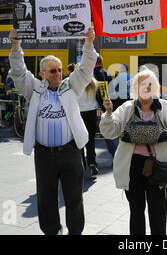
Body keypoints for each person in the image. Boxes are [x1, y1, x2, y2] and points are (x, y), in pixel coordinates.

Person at [8, 27, 97, 235]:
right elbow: (19, 72)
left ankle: (75, 232)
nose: (58, 74)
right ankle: (51, 232)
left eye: (59, 70)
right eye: (52, 71)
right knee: (46, 198)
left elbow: (85, 69)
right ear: (42, 74)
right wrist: (15, 45)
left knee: (75, 197)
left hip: (70, 152)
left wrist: (89, 43)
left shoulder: (70, 86)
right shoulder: (34, 88)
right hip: (44, 155)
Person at [99, 69, 167, 235]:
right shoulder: (126, 108)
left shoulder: (166, 107)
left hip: (159, 166)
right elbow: (110, 131)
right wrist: (109, 114)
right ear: (135, 87)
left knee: (158, 213)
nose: (146, 87)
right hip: (133, 165)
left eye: (150, 84)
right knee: (136, 211)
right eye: (142, 84)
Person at [94, 55, 118, 157]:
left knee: (92, 133)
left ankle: (91, 159)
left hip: (93, 106)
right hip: (105, 104)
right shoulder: (107, 73)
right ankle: (114, 154)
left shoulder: (91, 74)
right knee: (107, 130)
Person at [78, 75, 100, 176]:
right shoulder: (94, 84)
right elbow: (99, 99)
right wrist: (106, 111)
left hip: (78, 114)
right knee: (91, 140)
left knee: (80, 141)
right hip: (92, 114)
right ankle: (92, 162)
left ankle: (81, 164)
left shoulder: (76, 84)